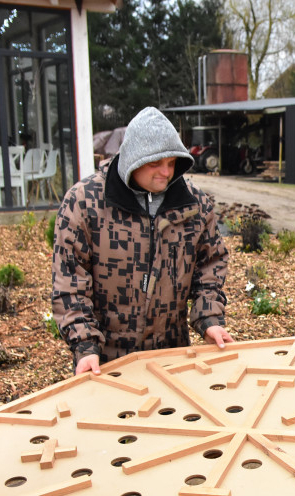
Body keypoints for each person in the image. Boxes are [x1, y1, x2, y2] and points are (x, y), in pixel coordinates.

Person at [53, 106, 233, 374]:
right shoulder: (84, 202)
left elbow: (210, 266)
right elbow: (70, 282)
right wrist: (85, 346)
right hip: (107, 362)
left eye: (172, 163)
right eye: (155, 164)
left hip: (171, 355)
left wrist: (210, 319)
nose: (166, 172)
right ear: (133, 160)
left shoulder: (195, 205)